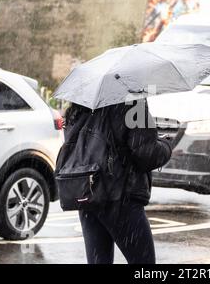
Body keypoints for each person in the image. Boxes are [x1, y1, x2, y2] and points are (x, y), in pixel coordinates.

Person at [63, 99, 172, 264]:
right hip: (120, 197)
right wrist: (165, 145)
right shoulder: (133, 100)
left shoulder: (81, 102)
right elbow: (146, 153)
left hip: (88, 193)